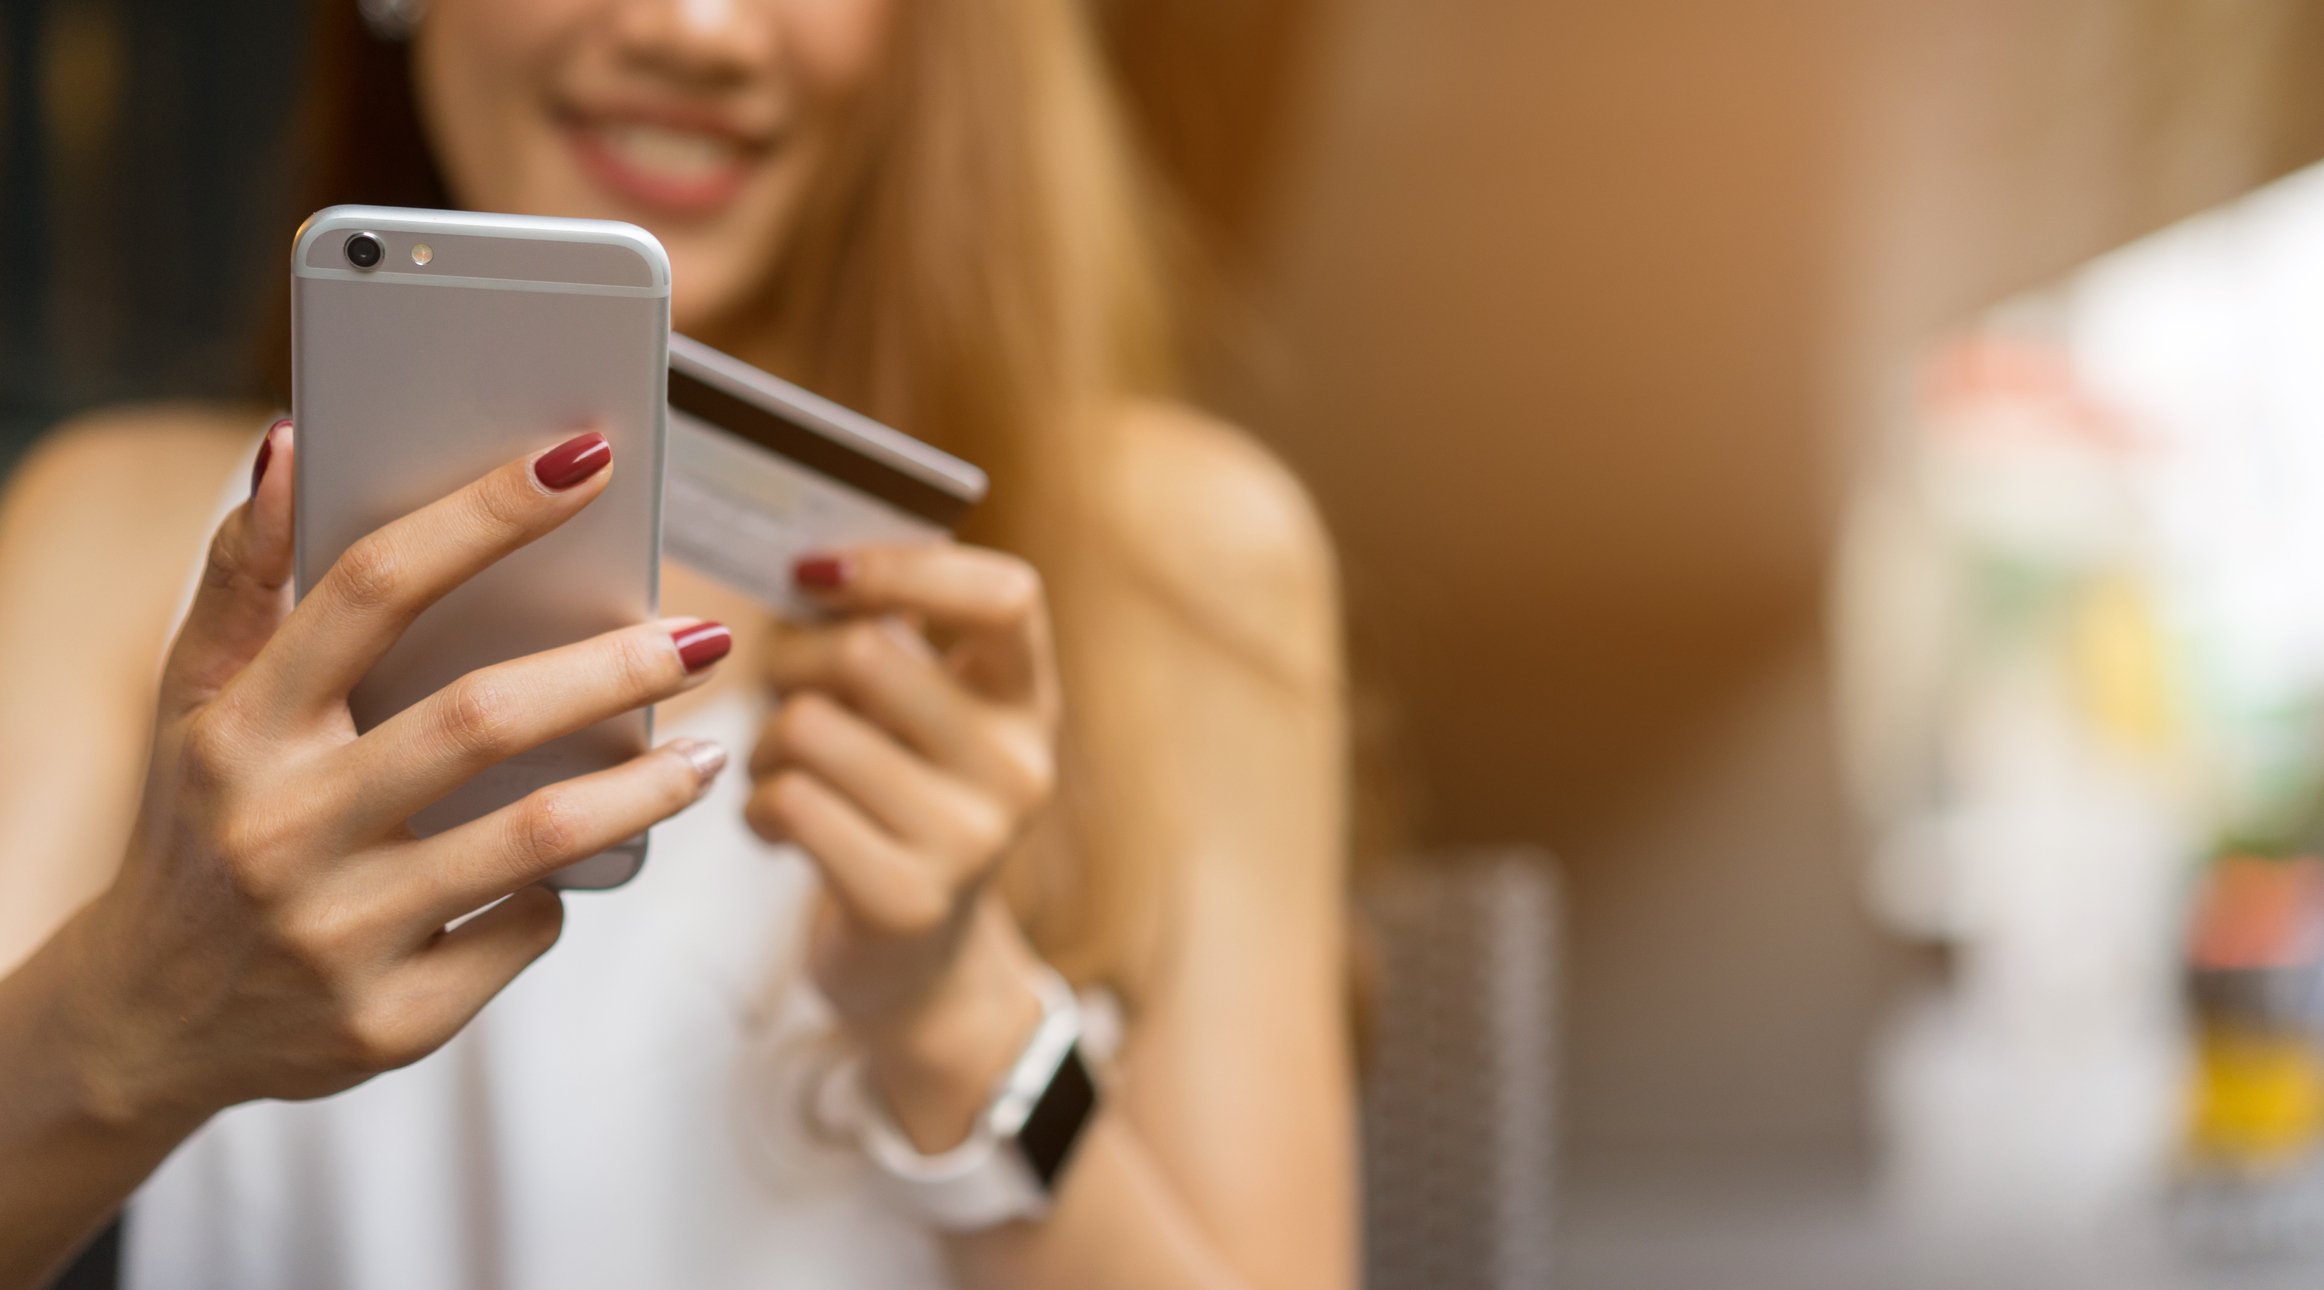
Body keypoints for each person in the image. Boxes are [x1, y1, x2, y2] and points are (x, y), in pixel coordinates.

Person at [0, 2, 1353, 1287]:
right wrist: (136, 1016)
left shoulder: (1167, 559)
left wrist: (958, 1014)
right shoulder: (124, 539)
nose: (694, 29)